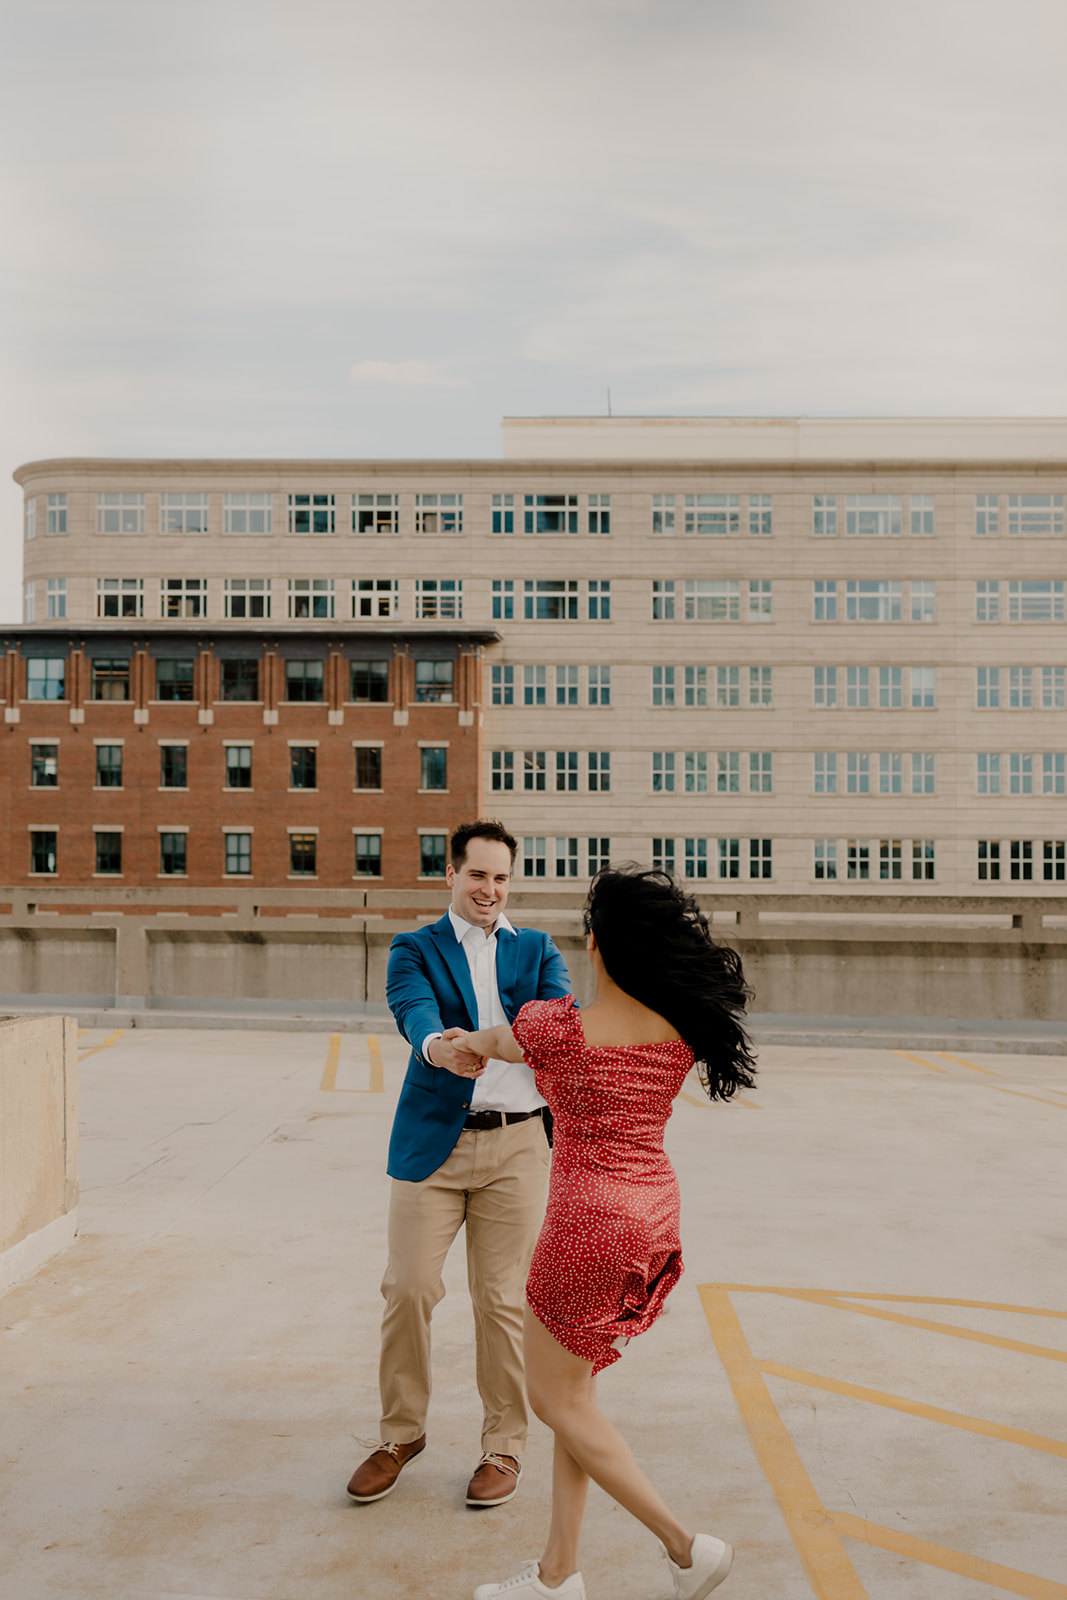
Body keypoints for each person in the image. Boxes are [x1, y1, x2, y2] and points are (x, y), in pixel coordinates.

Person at [453, 866, 756, 1600]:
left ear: (595, 945)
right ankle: (558, 1575)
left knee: (554, 1400)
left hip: (588, 1223)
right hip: (651, 1215)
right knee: (576, 1397)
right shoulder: (678, 1030)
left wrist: (460, 1042)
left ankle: (686, 1550)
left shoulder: (555, 1028)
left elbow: (494, 1039)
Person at [346, 820, 573, 1510]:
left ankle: (502, 1445)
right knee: (409, 1288)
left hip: (516, 1146)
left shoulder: (536, 949)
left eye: (501, 877)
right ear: (450, 874)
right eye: (477, 875)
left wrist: (484, 1039)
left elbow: (553, 1026)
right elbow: (412, 1010)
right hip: (432, 1146)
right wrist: (435, 1047)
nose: (489, 889)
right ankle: (400, 1435)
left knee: (502, 1300)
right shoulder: (414, 948)